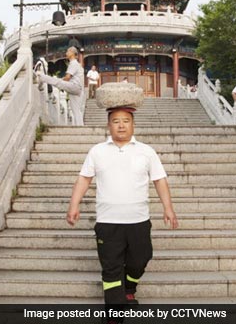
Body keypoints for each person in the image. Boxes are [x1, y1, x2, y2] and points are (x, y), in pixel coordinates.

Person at [66, 107, 179, 306]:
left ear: (133, 125)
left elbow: (159, 180)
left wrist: (168, 208)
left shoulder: (146, 151)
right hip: (108, 222)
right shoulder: (97, 151)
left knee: (141, 259)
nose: (121, 125)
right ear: (109, 125)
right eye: (116, 121)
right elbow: (84, 179)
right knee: (111, 268)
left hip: (138, 220)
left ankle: (129, 287)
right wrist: (74, 205)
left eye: (126, 121)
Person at [36, 46, 85, 125]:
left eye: (67, 51)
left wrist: (61, 80)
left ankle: (41, 77)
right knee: (76, 110)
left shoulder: (73, 63)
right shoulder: (76, 64)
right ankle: (80, 126)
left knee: (57, 82)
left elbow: (68, 77)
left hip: (74, 86)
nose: (66, 53)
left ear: (72, 53)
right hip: (77, 89)